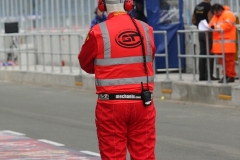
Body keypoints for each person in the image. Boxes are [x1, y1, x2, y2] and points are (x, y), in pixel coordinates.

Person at [78, 0, 156, 159]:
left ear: (102, 5)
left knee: (113, 156)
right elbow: (149, 58)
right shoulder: (146, 29)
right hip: (142, 103)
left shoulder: (98, 31)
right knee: (145, 155)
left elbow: (85, 64)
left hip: (111, 106)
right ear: (129, 4)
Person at [209, 3, 236, 83]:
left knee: (229, 61)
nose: (215, 14)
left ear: (220, 10)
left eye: (216, 12)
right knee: (222, 61)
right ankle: (226, 76)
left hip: (227, 43)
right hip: (220, 44)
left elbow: (228, 25)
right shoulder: (216, 16)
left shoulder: (228, 14)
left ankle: (231, 76)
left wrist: (215, 27)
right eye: (214, 13)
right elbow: (210, 24)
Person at [191, 0, 218, 81]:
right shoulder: (209, 7)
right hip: (208, 32)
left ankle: (201, 76)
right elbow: (211, 20)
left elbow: (193, 20)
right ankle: (209, 75)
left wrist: (199, 25)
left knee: (202, 53)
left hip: (200, 32)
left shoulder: (197, 7)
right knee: (210, 53)